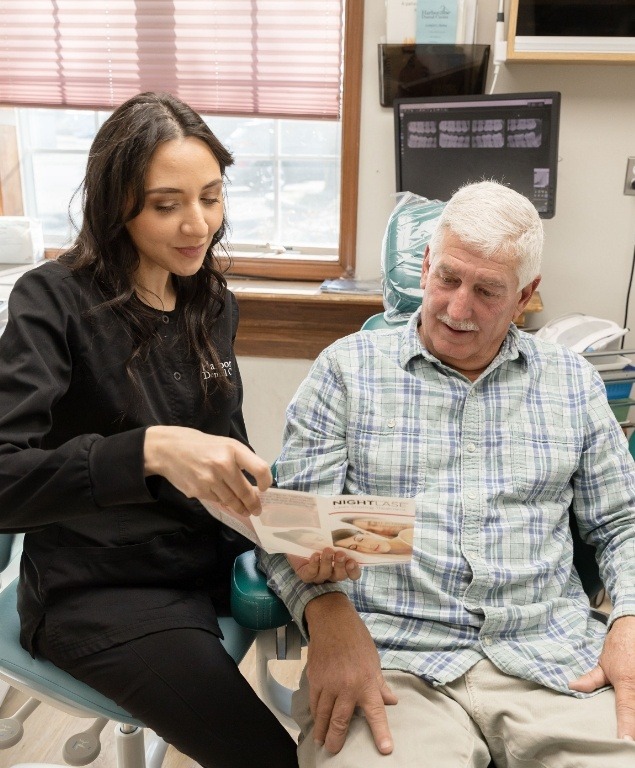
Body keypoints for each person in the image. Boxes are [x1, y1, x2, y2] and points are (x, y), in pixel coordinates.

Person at [258, 180, 635, 767]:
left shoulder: (571, 383)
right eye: (448, 279)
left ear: (527, 295)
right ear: (427, 265)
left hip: (552, 658)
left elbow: (623, 525)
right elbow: (292, 528)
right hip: (391, 660)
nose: (458, 309)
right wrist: (325, 612)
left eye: (487, 291)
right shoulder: (346, 372)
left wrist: (629, 621)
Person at [0, 91, 299, 768]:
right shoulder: (51, 301)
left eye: (211, 197)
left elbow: (229, 453)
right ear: (117, 205)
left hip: (202, 555)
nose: (198, 225)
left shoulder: (208, 300)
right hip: (102, 588)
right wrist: (150, 451)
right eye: (167, 204)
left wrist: (295, 527)